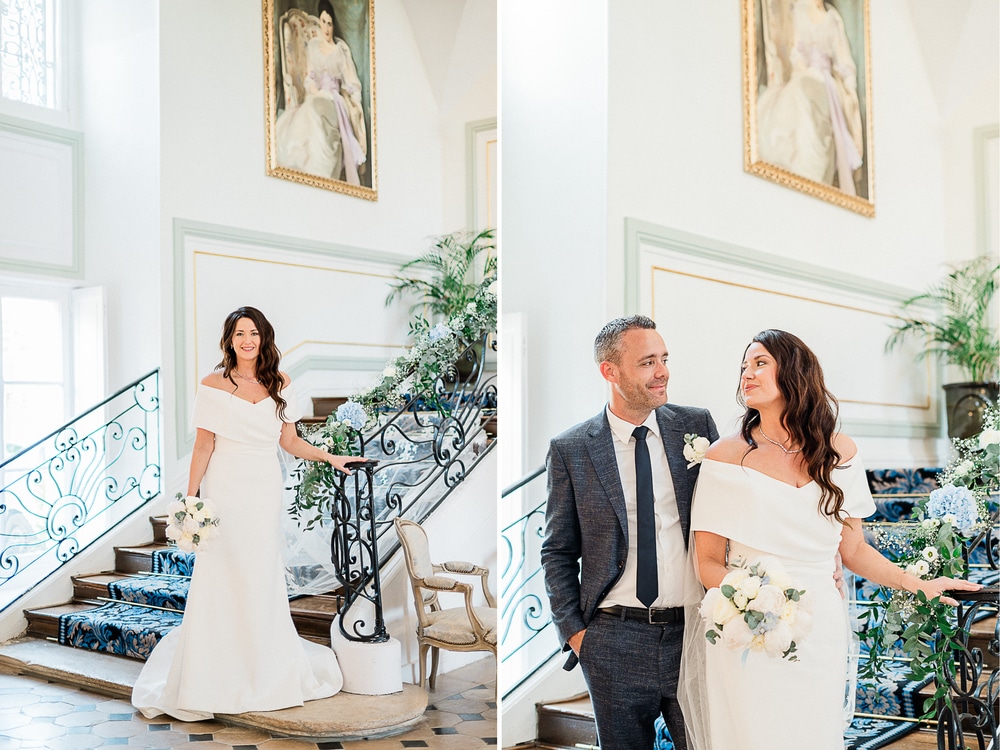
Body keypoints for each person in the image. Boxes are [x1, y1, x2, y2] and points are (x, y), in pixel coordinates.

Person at [683, 329, 980, 750]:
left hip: (819, 621)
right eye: (744, 366)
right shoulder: (725, 456)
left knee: (812, 731)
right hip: (749, 627)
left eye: (760, 362)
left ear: (794, 372)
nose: (747, 373)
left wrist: (917, 584)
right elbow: (708, 561)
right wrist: (747, 600)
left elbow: (853, 549)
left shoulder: (840, 452)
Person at [132, 306, 357, 721]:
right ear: (229, 340)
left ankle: (264, 667)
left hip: (264, 489)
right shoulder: (213, 383)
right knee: (221, 576)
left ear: (264, 337)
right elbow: (204, 445)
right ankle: (213, 674)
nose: (247, 340)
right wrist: (190, 500)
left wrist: (330, 457)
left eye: (253, 332)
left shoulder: (280, 382)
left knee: (260, 576)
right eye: (239, 333)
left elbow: (289, 441)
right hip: (225, 488)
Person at [541, 315, 719, 749]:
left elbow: (730, 516)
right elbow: (557, 551)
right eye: (647, 363)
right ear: (610, 371)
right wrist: (577, 635)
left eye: (664, 359)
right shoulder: (572, 449)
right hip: (613, 640)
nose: (662, 372)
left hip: (695, 633)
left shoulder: (696, 427)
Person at [756, 0, 864, 195]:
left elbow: (844, 60)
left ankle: (816, 173)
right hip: (805, 74)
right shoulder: (800, 10)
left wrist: (847, 85)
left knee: (815, 99)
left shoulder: (833, 19)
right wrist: (803, 68)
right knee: (798, 95)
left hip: (827, 82)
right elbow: (796, 51)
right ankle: (802, 168)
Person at [275, 0, 368, 184]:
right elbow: (310, 77)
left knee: (318, 112)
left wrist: (349, 95)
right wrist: (313, 89)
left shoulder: (340, 51)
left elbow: (351, 82)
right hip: (317, 96)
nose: (326, 28)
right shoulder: (315, 48)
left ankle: (324, 168)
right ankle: (310, 167)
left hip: (335, 100)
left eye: (329, 23)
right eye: (323, 22)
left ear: (333, 25)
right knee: (308, 111)